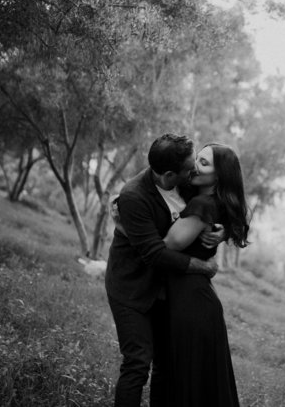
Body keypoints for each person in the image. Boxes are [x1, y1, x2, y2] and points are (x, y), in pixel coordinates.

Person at [105, 134, 224, 407]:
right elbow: (154, 253)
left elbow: (218, 206)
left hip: (167, 289)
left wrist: (222, 231)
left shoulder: (187, 185)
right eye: (189, 167)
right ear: (170, 174)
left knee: (165, 364)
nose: (194, 169)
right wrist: (202, 267)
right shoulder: (134, 196)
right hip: (131, 288)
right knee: (137, 362)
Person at [158, 142, 250, 406]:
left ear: (219, 175)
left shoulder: (202, 204)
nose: (193, 165)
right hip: (194, 300)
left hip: (190, 304)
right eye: (196, 159)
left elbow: (167, 246)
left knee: (187, 382)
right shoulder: (209, 201)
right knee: (194, 383)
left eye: (203, 163)